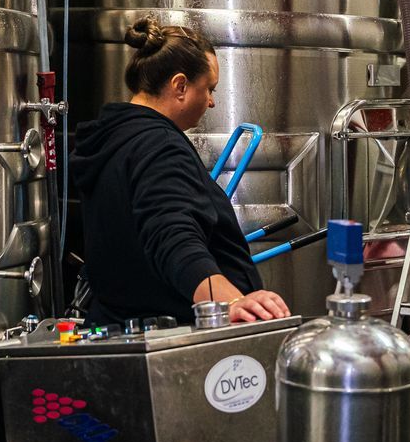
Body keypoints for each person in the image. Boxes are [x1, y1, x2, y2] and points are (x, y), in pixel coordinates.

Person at [71, 18, 291, 326]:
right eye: (209, 88)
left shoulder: (113, 140)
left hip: (120, 326)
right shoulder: (159, 145)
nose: (211, 102)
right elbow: (172, 236)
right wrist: (231, 302)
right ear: (180, 86)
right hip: (170, 335)